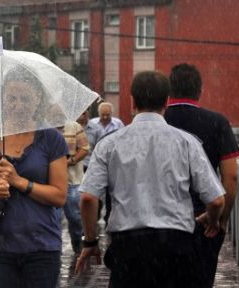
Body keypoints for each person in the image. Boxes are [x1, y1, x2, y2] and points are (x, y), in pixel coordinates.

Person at [75, 71, 226, 288]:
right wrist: (212, 220)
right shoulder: (186, 142)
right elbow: (217, 200)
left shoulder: (109, 144)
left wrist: (90, 241)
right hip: (176, 249)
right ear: (166, 101)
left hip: (128, 250)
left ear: (132, 101)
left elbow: (88, 198)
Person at [0, 67, 68, 288]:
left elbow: (59, 196)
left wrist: (20, 182)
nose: (18, 105)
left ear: (38, 99)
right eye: (11, 99)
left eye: (25, 99)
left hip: (42, 246)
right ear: (2, 100)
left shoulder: (51, 139)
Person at [165, 63, 239, 287]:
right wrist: (221, 219)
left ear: (170, 91)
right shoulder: (217, 122)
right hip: (203, 218)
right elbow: (231, 177)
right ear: (200, 90)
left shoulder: (158, 122)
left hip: (162, 219)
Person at [62, 120, 89, 255]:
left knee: (75, 217)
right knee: (53, 219)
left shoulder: (73, 126)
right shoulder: (42, 127)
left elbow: (85, 148)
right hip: (49, 181)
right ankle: (53, 250)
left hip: (73, 180)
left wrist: (71, 161)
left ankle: (77, 241)